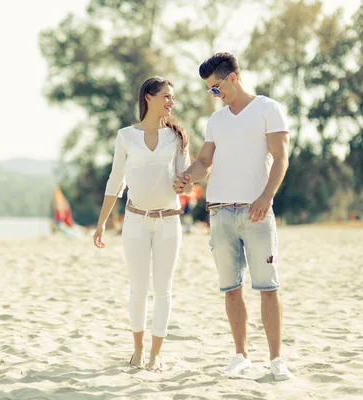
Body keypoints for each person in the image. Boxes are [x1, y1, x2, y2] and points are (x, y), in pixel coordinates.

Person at [174, 53, 293, 380]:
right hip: (220, 213)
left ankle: (276, 359)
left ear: (232, 78)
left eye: (216, 88)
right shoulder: (217, 120)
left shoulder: (268, 109)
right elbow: (204, 163)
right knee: (231, 288)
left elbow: (281, 158)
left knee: (268, 286)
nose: (214, 94)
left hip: (257, 213)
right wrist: (187, 175)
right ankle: (241, 354)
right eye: (210, 91)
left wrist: (266, 197)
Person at [93, 76, 190, 371]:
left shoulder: (178, 137)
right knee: (137, 289)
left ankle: (155, 355)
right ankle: (137, 350)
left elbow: (186, 178)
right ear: (149, 97)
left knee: (163, 290)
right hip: (135, 221)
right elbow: (115, 181)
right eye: (166, 96)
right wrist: (101, 223)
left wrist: (182, 183)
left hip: (168, 222)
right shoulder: (126, 136)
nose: (171, 102)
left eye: (172, 97)